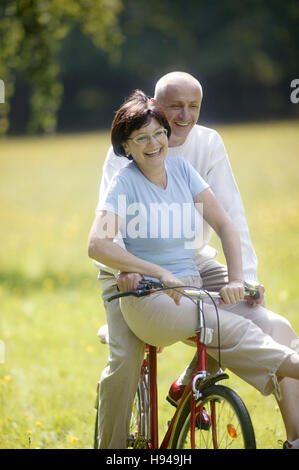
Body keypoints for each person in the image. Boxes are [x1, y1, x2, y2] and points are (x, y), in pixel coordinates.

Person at [89, 88, 299, 450]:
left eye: (158, 134)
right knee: (130, 361)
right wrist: (144, 269)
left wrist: (239, 279)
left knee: (242, 321)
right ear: (126, 146)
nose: (153, 143)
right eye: (142, 138)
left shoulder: (183, 168)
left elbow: (226, 223)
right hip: (140, 289)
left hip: (187, 284)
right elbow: (99, 243)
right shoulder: (123, 179)